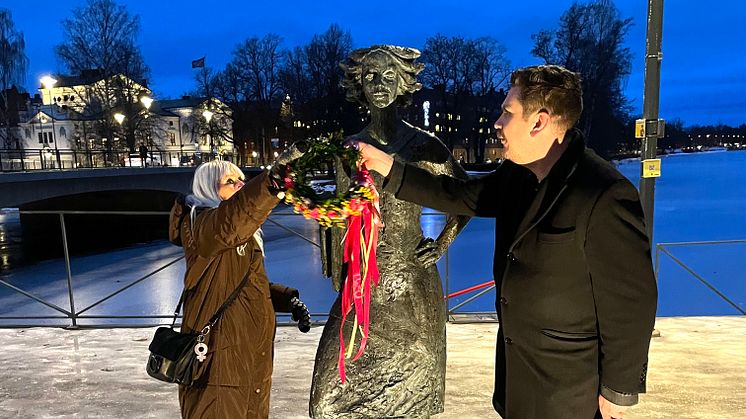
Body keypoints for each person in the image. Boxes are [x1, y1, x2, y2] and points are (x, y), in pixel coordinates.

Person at [354, 65, 658, 419]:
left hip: (571, 390)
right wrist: (389, 167)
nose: (497, 123)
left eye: (507, 112)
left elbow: (632, 301)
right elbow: (460, 195)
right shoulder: (517, 173)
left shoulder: (603, 193)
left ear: (539, 122)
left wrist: (617, 390)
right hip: (518, 379)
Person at [310, 45, 470, 418]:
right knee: (326, 403)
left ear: (403, 83)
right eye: (369, 76)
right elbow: (342, 218)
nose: (378, 83)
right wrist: (322, 212)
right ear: (359, 86)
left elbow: (466, 200)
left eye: (387, 75)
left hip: (412, 287)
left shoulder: (423, 147)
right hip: (362, 289)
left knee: (411, 400)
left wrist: (441, 244)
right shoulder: (347, 149)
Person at [168, 155, 311, 418]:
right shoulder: (205, 225)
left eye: (242, 180)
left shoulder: (236, 234)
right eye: (229, 181)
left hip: (245, 350)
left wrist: (285, 299)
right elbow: (236, 217)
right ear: (208, 188)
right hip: (218, 353)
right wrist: (270, 183)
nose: (239, 185)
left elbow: (242, 281)